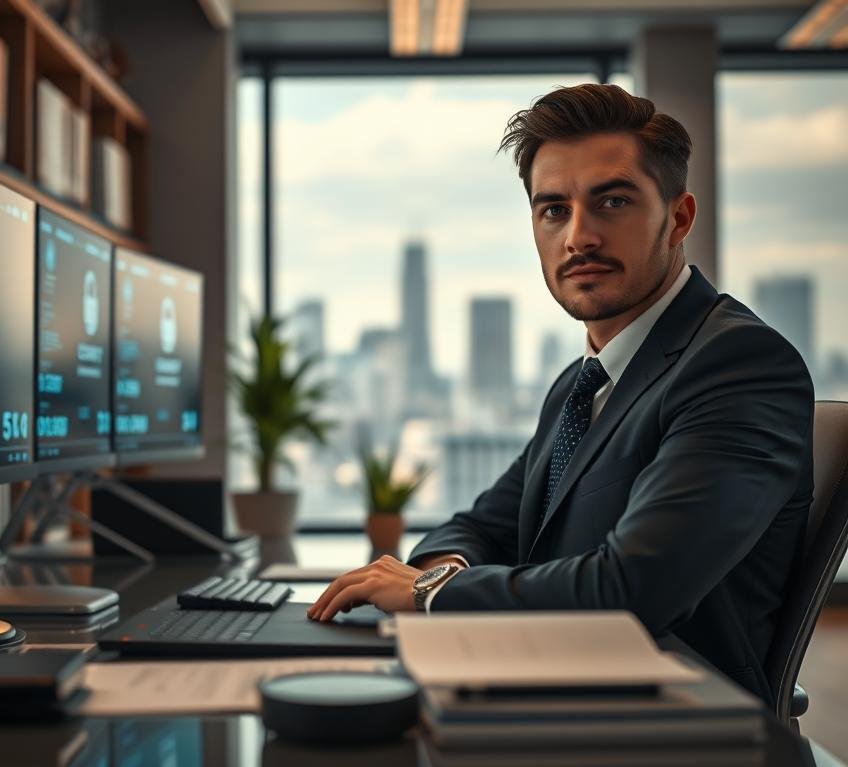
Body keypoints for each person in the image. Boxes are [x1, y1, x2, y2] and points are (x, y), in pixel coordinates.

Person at [306, 83, 813, 705]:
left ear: (679, 217)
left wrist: (427, 592)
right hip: (551, 688)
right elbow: (475, 527)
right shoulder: (584, 383)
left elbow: (633, 590)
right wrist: (446, 573)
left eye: (613, 202)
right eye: (553, 210)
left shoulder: (739, 366)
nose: (579, 237)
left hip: (668, 725)